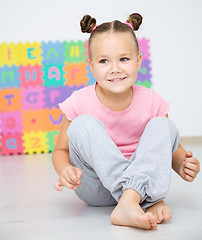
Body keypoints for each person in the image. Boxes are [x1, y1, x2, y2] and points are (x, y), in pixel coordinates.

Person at [52, 13, 200, 230]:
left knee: (163, 126)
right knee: (82, 124)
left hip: (141, 178)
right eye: (104, 61)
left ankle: (130, 201)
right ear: (91, 66)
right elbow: (60, 151)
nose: (115, 69)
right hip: (97, 187)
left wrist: (181, 164)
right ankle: (145, 200)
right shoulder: (79, 102)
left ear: (138, 61)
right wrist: (65, 169)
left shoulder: (151, 101)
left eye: (124, 59)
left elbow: (170, 148)